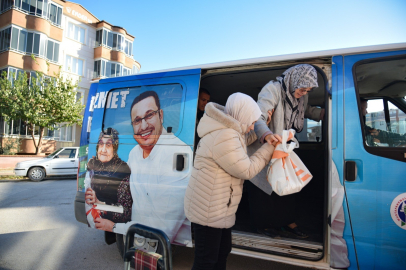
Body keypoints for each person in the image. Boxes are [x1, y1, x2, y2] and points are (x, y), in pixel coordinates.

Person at [184, 93, 275, 270]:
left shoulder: (229, 131)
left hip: (217, 207)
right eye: (252, 121)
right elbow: (246, 169)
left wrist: (265, 131)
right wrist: (269, 147)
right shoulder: (224, 135)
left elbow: (242, 140)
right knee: (206, 261)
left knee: (222, 252)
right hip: (208, 210)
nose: (251, 126)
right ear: (242, 117)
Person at [247, 64, 324, 239]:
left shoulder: (300, 95)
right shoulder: (272, 89)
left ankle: (287, 221)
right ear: (294, 81)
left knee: (287, 183)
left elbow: (304, 110)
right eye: (302, 89)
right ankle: (263, 224)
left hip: (284, 147)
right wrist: (266, 134)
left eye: (307, 91)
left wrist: (321, 114)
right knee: (264, 189)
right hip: (266, 145)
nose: (303, 93)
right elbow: (258, 117)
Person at [113, 90, 193, 244]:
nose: (143, 126)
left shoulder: (177, 152)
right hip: (141, 239)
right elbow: (124, 192)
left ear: (161, 115)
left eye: (149, 115)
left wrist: (116, 226)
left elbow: (163, 229)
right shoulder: (134, 153)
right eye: (137, 121)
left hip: (159, 244)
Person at [84, 128, 132, 231]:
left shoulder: (122, 170)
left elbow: (126, 212)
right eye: (101, 144)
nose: (103, 150)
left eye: (109, 145)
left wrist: (99, 203)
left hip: (114, 224)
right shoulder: (93, 164)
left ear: (115, 148)